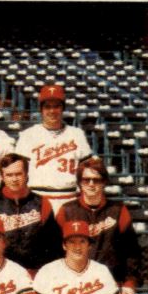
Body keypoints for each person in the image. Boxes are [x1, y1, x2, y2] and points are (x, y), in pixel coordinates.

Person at [56, 156, 141, 294]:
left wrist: (130, 282)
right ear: (79, 183)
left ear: (104, 182)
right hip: (74, 285)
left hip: (110, 283)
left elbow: (131, 250)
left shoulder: (118, 211)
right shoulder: (67, 210)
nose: (91, 184)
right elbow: (55, 250)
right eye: (86, 180)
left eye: (96, 180)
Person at [14, 84, 92, 216]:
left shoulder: (77, 134)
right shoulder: (28, 135)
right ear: (41, 110)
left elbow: (87, 169)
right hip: (37, 198)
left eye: (56, 106)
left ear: (62, 108)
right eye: (47, 107)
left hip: (70, 197)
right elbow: (18, 172)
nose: (52, 111)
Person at [0, 152, 62, 275]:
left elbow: (53, 245)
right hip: (1, 274)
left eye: (18, 174)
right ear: (2, 177)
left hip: (35, 273)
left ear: (26, 174)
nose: (14, 179)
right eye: (9, 175)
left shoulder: (42, 203)